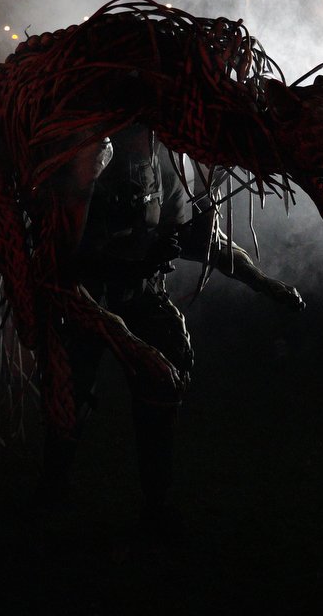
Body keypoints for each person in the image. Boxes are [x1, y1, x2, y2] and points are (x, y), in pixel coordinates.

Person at [45, 122, 304, 533]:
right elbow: (66, 255)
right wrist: (134, 261)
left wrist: (263, 282)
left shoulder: (166, 157)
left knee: (163, 383)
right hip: (86, 299)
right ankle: (52, 492)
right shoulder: (87, 154)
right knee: (70, 392)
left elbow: (200, 238)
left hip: (141, 295)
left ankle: (157, 505)